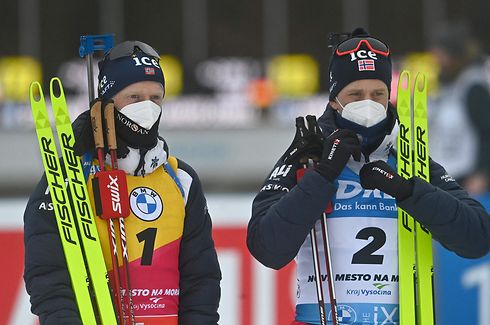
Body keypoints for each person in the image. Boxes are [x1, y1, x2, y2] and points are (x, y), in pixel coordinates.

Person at [247, 28, 490, 325]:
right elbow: (267, 248)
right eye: (355, 94)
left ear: (389, 96)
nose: (369, 103)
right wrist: (323, 176)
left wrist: (407, 191)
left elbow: (477, 238)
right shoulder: (308, 155)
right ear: (335, 100)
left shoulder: (410, 160)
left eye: (378, 94)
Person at [24, 40, 221, 324]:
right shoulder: (70, 174)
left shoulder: (181, 179)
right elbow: (47, 273)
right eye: (134, 97)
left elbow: (201, 278)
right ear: (108, 104)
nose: (148, 107)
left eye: (156, 98)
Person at [428, 21, 490, 195]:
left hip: (467, 179)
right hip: (444, 175)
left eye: (441, 54)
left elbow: (487, 132)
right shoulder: (445, 83)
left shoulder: (473, 87)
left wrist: (482, 173)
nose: (436, 59)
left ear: (454, 54)